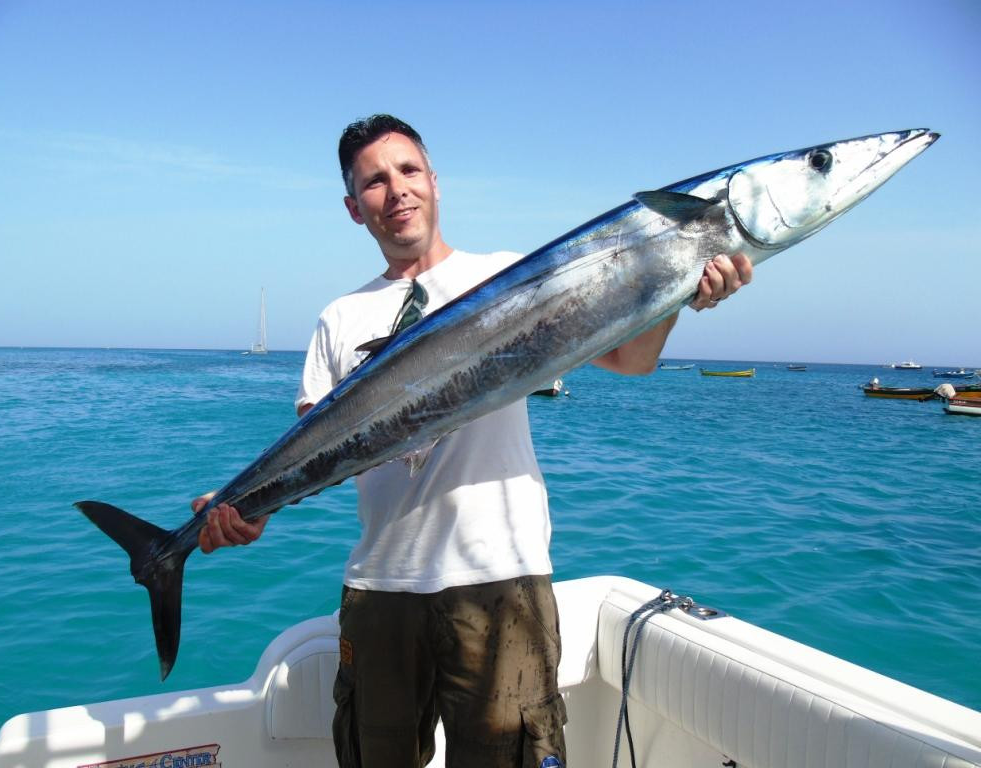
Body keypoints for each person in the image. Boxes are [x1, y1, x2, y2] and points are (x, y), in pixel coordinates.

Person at [192, 114, 753, 768]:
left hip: (503, 584)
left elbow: (630, 359)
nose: (396, 190)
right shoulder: (340, 319)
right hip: (380, 594)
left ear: (434, 181)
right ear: (354, 208)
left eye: (407, 171)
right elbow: (320, 449)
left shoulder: (512, 275)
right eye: (374, 182)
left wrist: (679, 293)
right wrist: (248, 509)